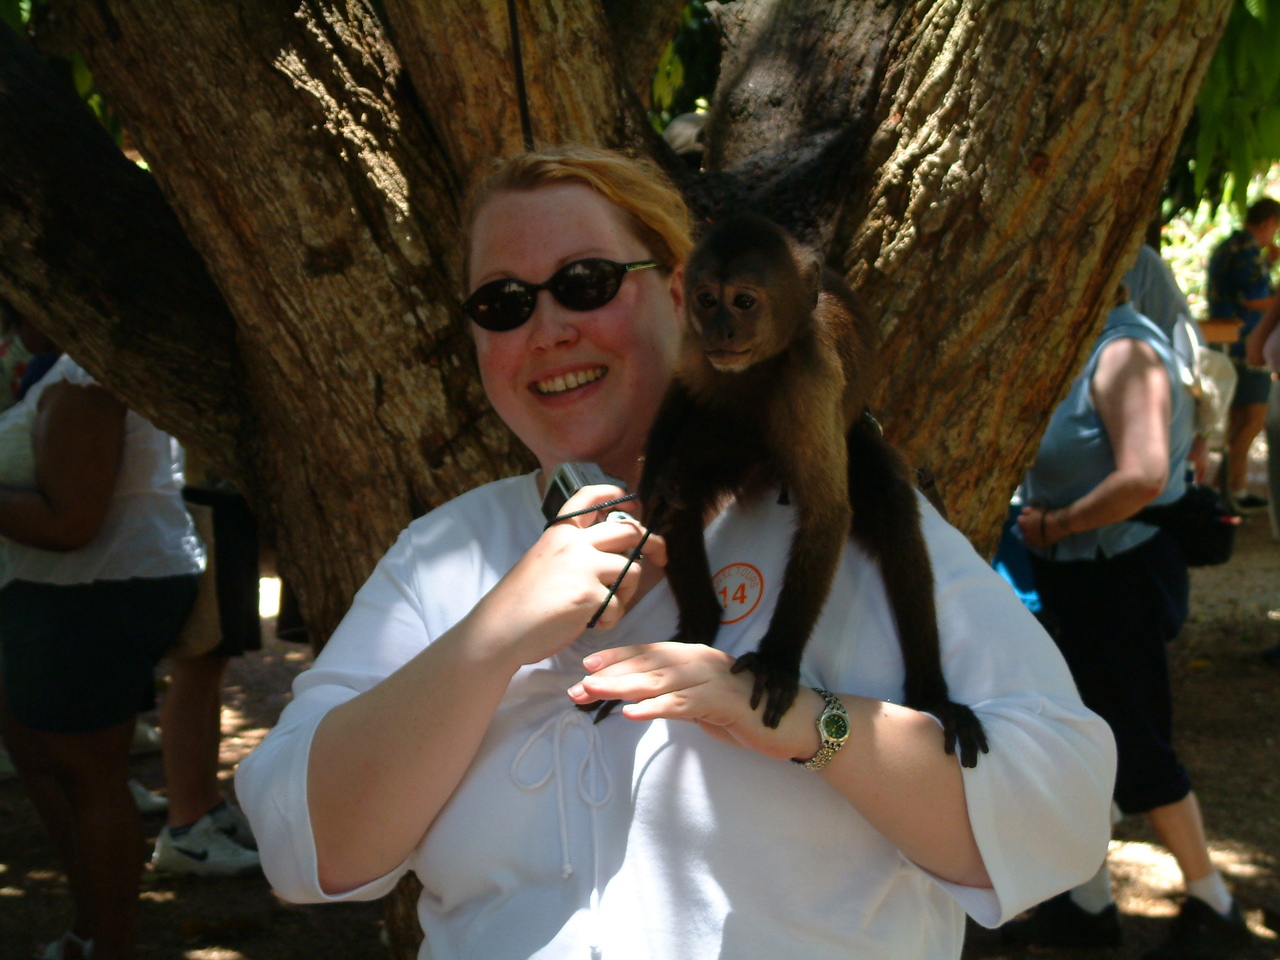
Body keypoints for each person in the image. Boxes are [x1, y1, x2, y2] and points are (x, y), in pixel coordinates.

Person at [236, 145, 1116, 960]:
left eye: (585, 283)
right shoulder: (447, 553)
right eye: (503, 303)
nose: (546, 330)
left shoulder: (830, 518)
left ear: (678, 292)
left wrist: (813, 725)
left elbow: (1064, 817)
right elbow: (302, 851)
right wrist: (490, 639)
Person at [1010, 290, 1251, 958]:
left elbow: (1145, 474)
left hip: (1119, 575)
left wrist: (1056, 525)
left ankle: (1214, 904)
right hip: (1079, 575)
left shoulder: (1125, 351)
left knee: (1136, 746)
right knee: (1080, 743)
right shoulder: (1083, 344)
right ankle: (1087, 906)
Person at [0, 318, 204, 960]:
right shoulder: (59, 374)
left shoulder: (86, 381)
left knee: (88, 777)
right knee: (45, 763)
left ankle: (106, 945)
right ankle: (87, 933)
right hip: (57, 593)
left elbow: (72, 522)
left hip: (94, 592)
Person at [149, 470, 261, 877]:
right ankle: (186, 827)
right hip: (203, 501)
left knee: (211, 665)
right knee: (197, 663)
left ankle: (207, 807)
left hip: (224, 501)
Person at [1205, 197, 1280, 512]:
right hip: (1246, 344)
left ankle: (1229, 487)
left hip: (1232, 342)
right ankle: (1229, 490)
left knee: (1239, 421)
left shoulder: (1232, 246)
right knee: (1252, 419)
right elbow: (1254, 298)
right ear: (1267, 222)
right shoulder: (1247, 250)